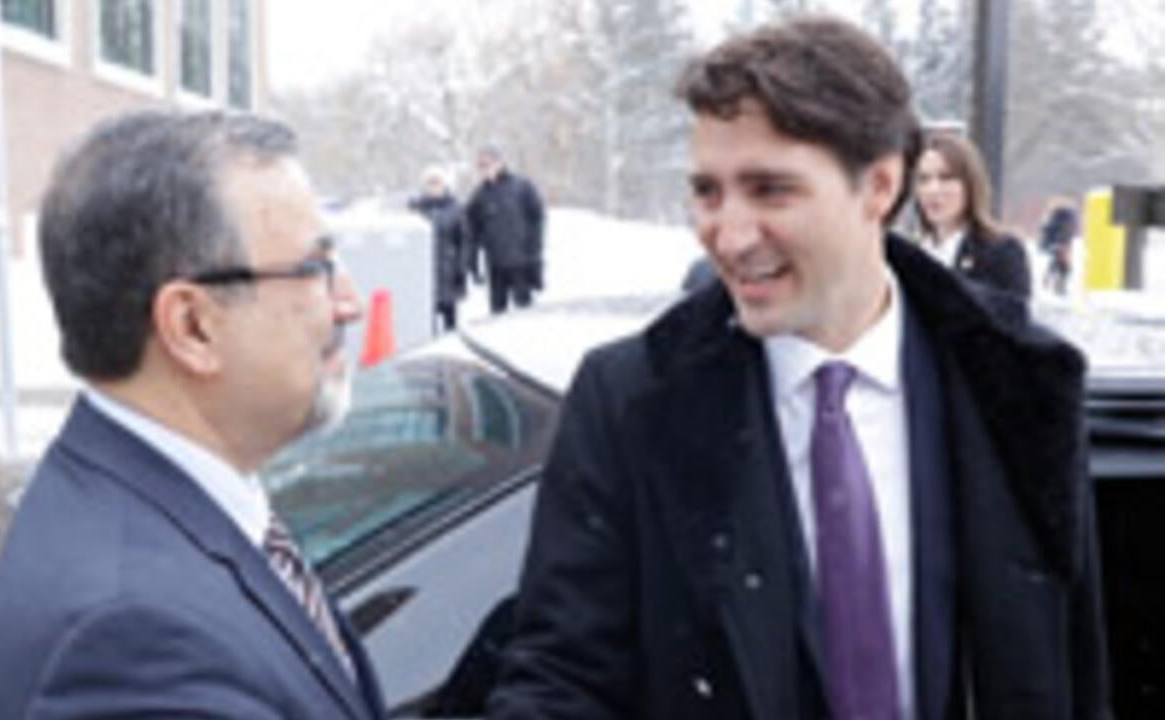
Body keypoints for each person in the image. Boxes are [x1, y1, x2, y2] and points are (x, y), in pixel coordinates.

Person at [490, 15, 1107, 720]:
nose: (729, 233)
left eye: (770, 190)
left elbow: (1074, 676)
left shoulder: (1018, 386)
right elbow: (562, 678)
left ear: (879, 185)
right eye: (708, 192)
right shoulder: (630, 401)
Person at [0, 110, 383, 719]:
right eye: (316, 268)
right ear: (192, 326)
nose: (351, 303)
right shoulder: (130, 641)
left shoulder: (153, 503)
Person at [913, 132, 1032, 298]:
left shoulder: (1001, 252)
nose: (933, 190)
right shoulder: (909, 255)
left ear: (970, 185)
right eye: (923, 179)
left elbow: (1011, 318)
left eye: (946, 178)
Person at [465, 146, 546, 314]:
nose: (485, 169)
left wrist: (534, 252)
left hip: (521, 261)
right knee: (497, 313)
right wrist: (472, 262)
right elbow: (471, 229)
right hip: (495, 264)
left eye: (488, 164)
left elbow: (537, 218)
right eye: (481, 166)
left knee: (525, 311)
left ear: (500, 163)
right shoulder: (480, 195)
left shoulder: (521, 186)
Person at [409, 165, 472, 331]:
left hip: (447, 270)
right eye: (430, 182)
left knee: (449, 320)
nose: (434, 186)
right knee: (423, 320)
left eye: (437, 182)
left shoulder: (455, 208)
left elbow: (463, 241)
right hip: (422, 271)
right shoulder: (416, 208)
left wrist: (462, 268)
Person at [1040, 200, 1079, 296]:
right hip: (1061, 242)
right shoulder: (1065, 218)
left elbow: (1045, 231)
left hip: (1057, 243)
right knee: (1062, 265)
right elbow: (1068, 231)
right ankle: (1057, 284)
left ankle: (1054, 282)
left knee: (1058, 263)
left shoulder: (1052, 218)